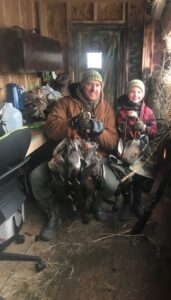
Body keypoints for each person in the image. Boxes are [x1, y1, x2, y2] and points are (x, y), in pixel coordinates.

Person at [29, 69, 119, 241]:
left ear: (101, 88)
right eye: (90, 84)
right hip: (68, 155)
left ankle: (95, 204)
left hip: (94, 157)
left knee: (112, 186)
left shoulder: (106, 109)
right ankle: (53, 215)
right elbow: (51, 128)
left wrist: (98, 131)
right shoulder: (65, 103)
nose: (94, 89)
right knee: (36, 178)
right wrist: (71, 123)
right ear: (82, 85)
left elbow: (114, 141)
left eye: (98, 85)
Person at [117, 79, 157, 220]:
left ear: (143, 94)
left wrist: (144, 127)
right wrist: (128, 121)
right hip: (126, 150)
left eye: (139, 91)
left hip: (142, 150)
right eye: (132, 91)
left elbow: (154, 130)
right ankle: (126, 204)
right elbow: (119, 130)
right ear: (128, 93)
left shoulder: (148, 112)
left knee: (139, 179)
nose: (135, 94)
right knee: (126, 178)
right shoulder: (121, 111)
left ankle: (136, 204)